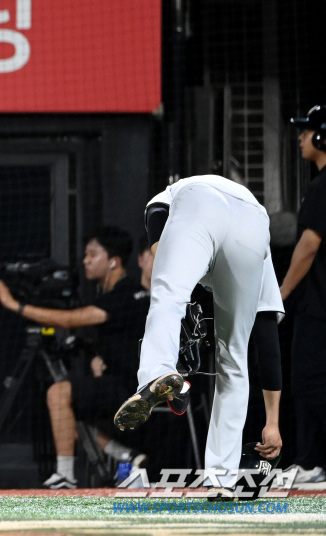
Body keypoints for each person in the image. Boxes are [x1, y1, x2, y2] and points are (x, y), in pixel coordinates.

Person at [114, 174, 284, 501]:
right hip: (254, 219)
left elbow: (156, 209)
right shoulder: (264, 258)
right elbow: (267, 339)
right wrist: (272, 421)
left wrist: (168, 264)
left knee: (167, 294)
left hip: (199, 199)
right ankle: (221, 480)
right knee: (234, 360)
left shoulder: (182, 200)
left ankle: (158, 371)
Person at [0, 227, 151, 489]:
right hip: (123, 382)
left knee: (58, 393)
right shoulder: (118, 294)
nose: (85, 260)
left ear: (114, 261)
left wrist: (15, 305)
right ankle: (125, 456)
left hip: (133, 388)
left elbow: (68, 319)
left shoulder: (125, 295)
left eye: (93, 254)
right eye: (85, 254)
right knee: (65, 410)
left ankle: (65, 476)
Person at [279, 105, 326, 484]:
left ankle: (310, 463)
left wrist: (282, 292)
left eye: (307, 131)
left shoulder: (323, 184)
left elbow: (309, 245)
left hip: (320, 308)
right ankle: (311, 460)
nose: (300, 137)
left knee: (308, 380)